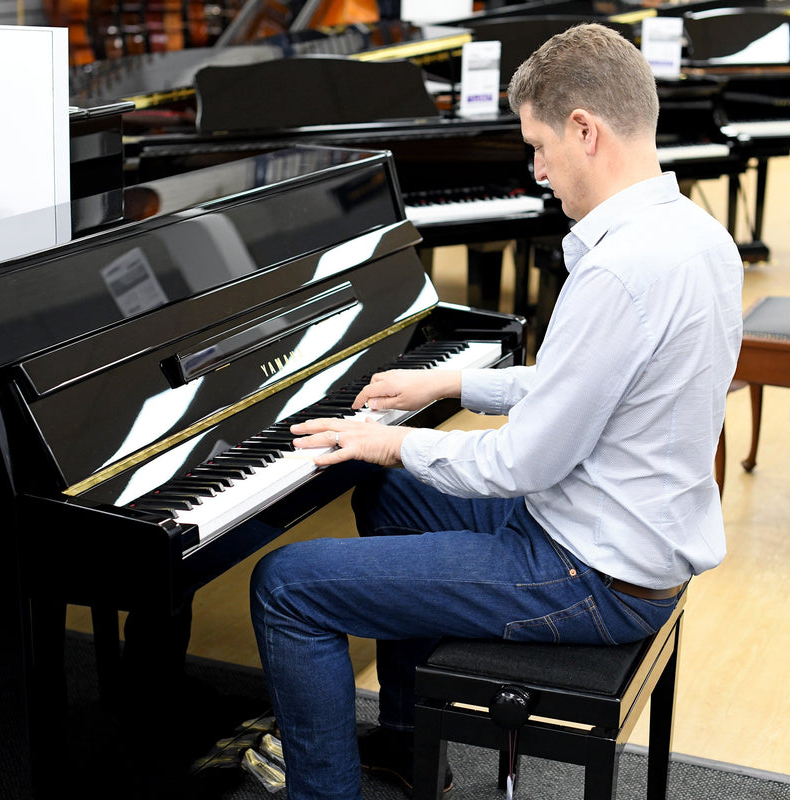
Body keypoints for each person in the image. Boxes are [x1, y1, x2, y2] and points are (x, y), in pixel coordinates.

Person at [249, 22, 743, 800]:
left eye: (539, 146)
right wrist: (449, 386)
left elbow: (521, 463)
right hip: (621, 537)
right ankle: (410, 745)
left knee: (286, 583)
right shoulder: (696, 237)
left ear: (585, 131)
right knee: (391, 497)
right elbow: (588, 386)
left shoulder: (620, 269)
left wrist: (391, 444)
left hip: (588, 574)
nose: (537, 169)